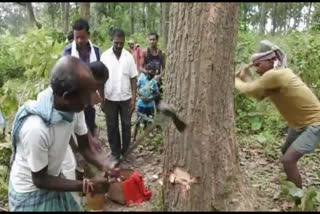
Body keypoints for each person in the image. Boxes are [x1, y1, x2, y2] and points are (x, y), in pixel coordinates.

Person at [8, 56, 118, 211]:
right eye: (86, 95)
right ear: (67, 97)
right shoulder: (37, 128)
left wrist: (105, 164)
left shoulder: (74, 108)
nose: (90, 100)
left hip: (53, 179)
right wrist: (86, 185)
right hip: (30, 193)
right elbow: (40, 179)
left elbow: (85, 148)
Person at [235, 40, 320, 189]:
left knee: (288, 160)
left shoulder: (276, 75)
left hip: (315, 124)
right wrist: (245, 78)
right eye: (254, 66)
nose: (256, 69)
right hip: (299, 125)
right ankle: (289, 183)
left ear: (272, 60)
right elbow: (258, 95)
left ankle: (299, 201)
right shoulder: (274, 77)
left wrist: (235, 79)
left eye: (258, 65)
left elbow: (249, 89)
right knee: (285, 152)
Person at [100, 28, 138, 165]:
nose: (119, 46)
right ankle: (115, 152)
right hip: (109, 98)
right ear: (112, 40)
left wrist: (134, 99)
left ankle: (125, 151)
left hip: (126, 99)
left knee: (126, 125)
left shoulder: (128, 57)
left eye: (121, 43)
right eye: (116, 42)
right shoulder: (104, 56)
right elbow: (100, 79)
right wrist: (101, 98)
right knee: (112, 126)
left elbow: (134, 78)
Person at [133, 63, 160, 141]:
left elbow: (157, 94)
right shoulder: (142, 79)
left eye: (153, 73)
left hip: (150, 105)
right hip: (141, 104)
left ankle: (146, 137)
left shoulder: (154, 82)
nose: (151, 74)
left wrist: (150, 99)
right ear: (147, 71)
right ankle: (134, 137)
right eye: (150, 72)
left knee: (149, 121)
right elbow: (137, 89)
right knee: (138, 121)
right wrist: (142, 97)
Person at [140, 32, 166, 107]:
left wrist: (159, 76)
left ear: (157, 40)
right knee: (147, 104)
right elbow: (140, 67)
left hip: (158, 82)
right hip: (147, 83)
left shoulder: (161, 53)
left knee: (158, 104)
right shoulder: (145, 52)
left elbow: (164, 69)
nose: (152, 41)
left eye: (153, 39)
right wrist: (146, 72)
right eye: (150, 39)